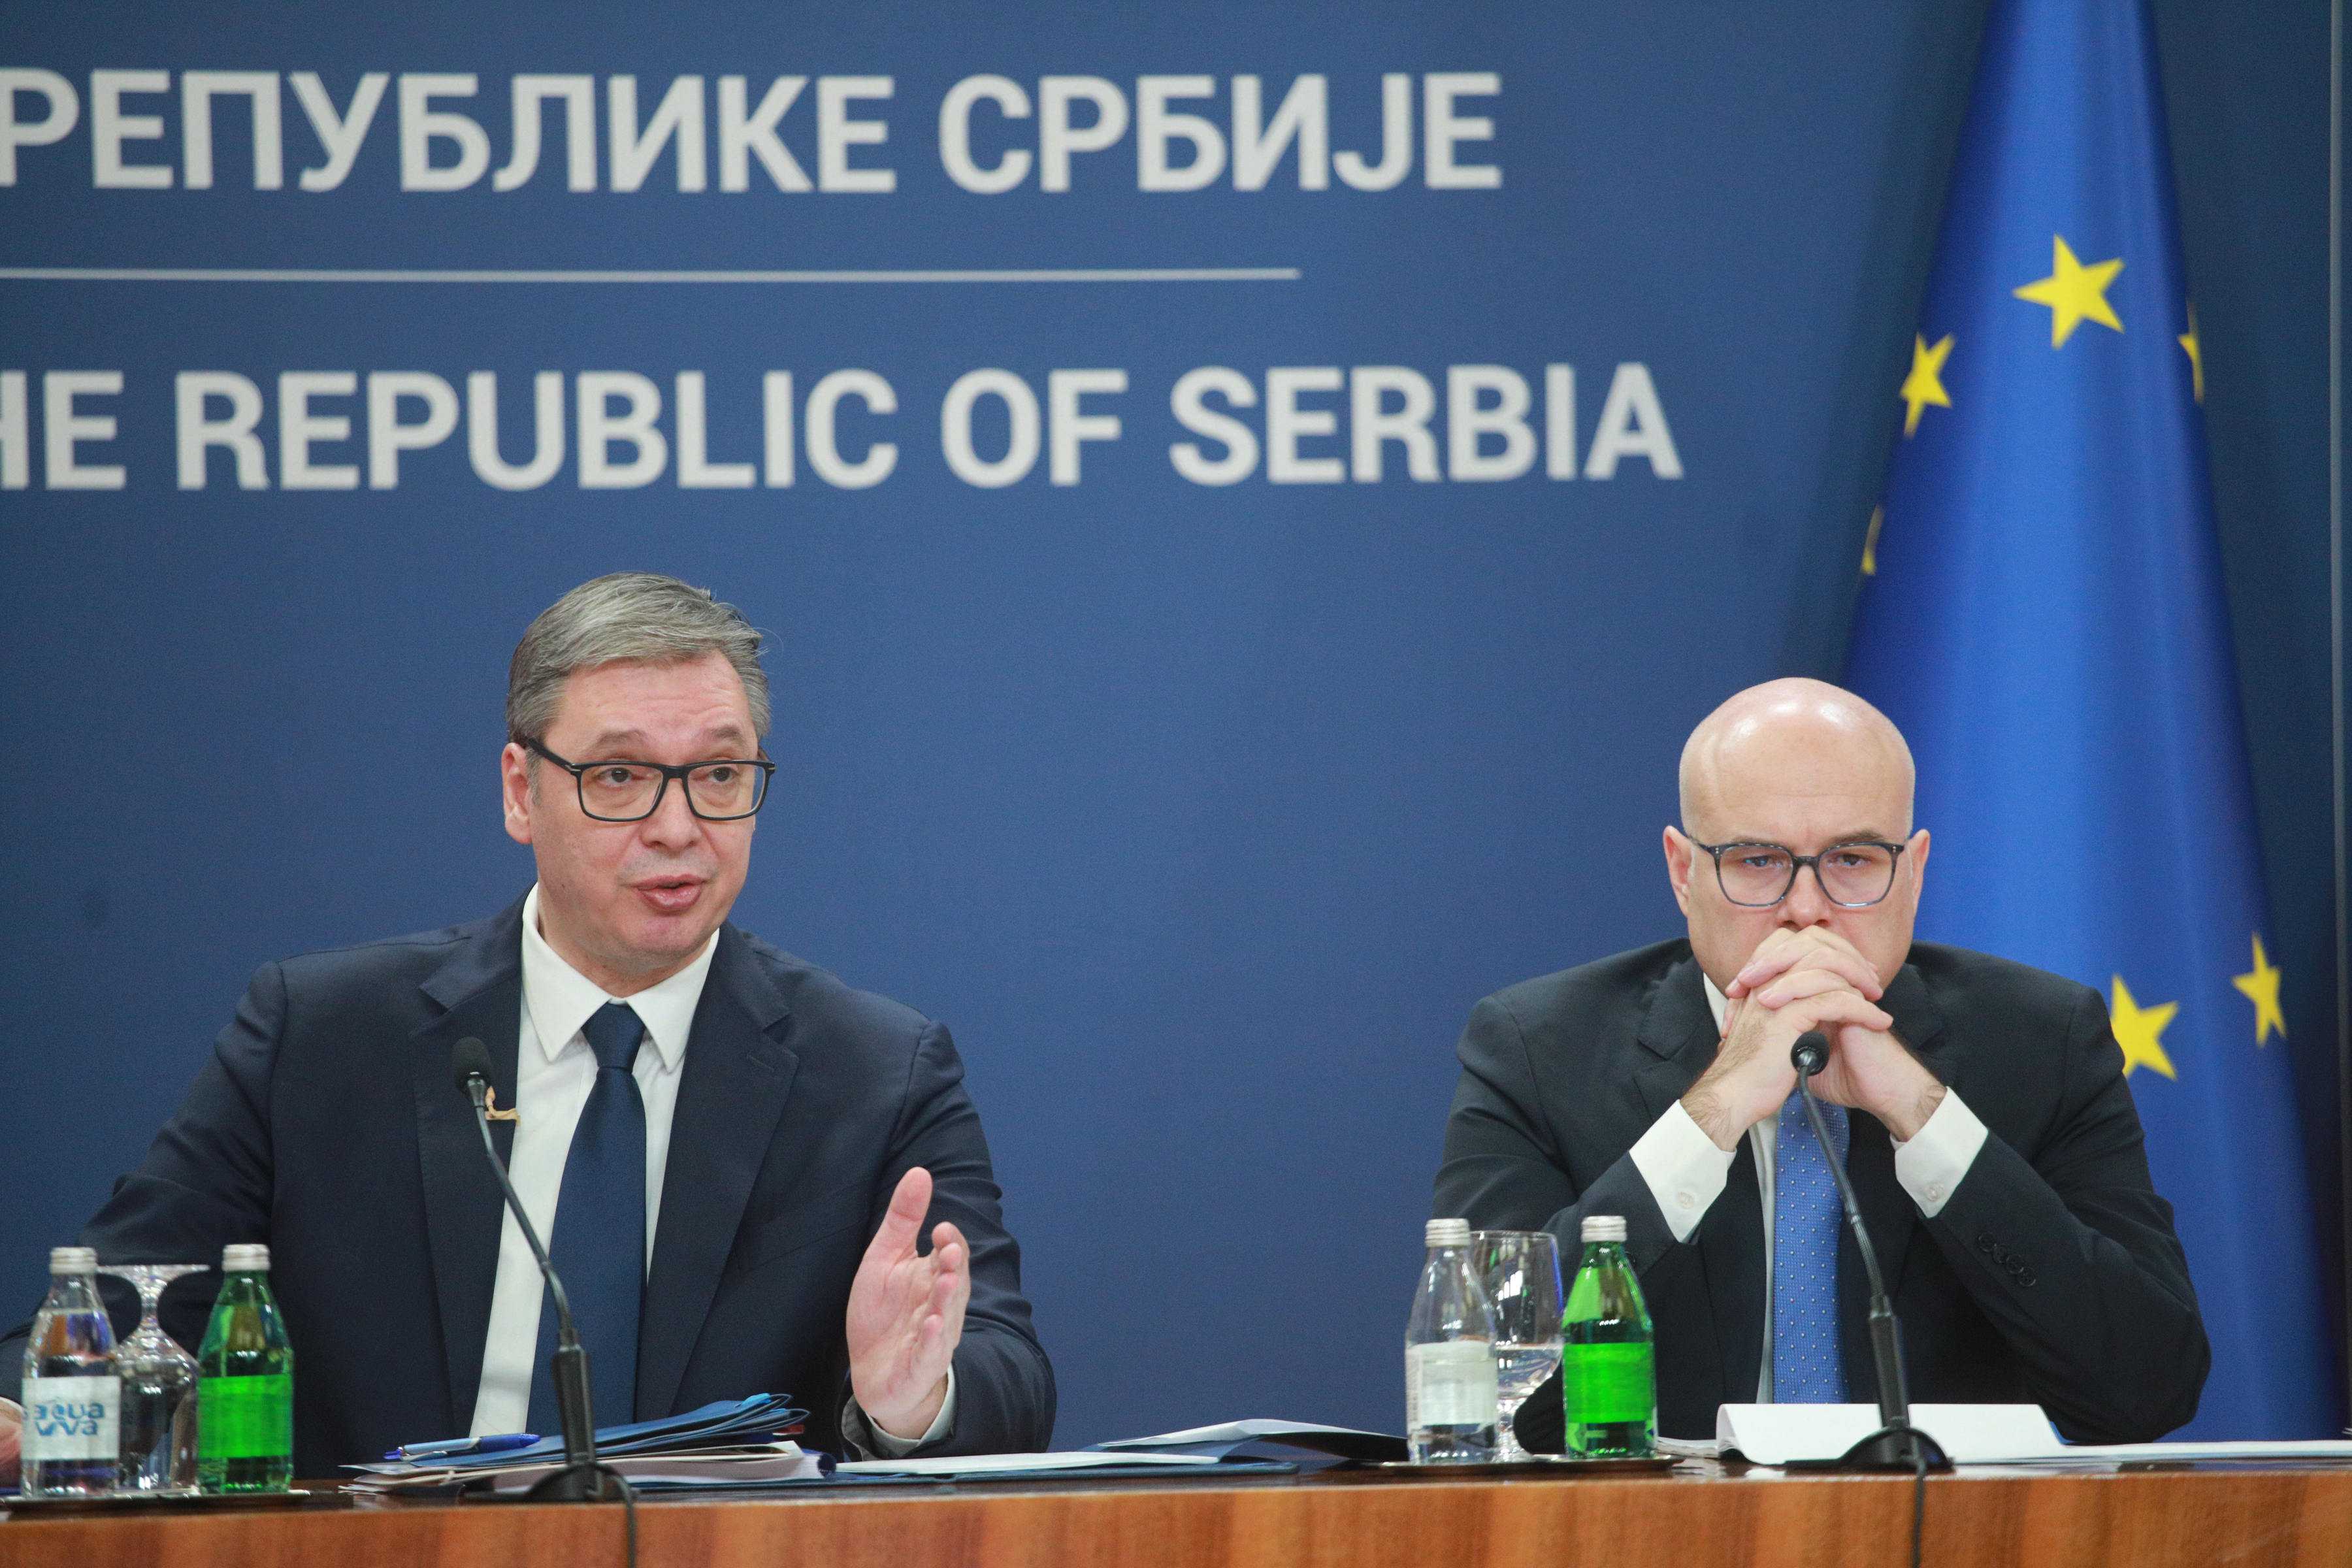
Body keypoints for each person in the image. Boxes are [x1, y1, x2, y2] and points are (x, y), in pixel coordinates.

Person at [0, 573, 1053, 1478]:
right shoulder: (319, 1039)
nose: (679, 828)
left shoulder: (875, 1072)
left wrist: (912, 1399)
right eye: (621, 778)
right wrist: (18, 1410)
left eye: (721, 775)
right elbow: (111, 1312)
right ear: (521, 791)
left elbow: (1005, 1371)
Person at [1437, 678, 2207, 1445]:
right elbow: (1490, 1399)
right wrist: (1716, 1111)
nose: (1807, 908)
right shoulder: (1538, 1048)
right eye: (1758, 861)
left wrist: (1921, 1111)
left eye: (1853, 860)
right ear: (1683, 871)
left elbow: (2146, 1393)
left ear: (1912, 872)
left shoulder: (2043, 1041)